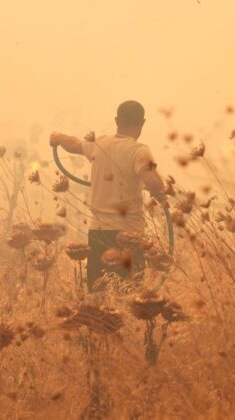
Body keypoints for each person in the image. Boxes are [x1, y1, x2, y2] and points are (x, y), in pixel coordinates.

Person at [50, 100, 166, 290]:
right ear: (142, 123)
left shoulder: (100, 144)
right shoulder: (139, 151)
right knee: (129, 294)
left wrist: (57, 137)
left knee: (99, 293)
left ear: (116, 120)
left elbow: (75, 144)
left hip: (98, 233)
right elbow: (153, 181)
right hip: (129, 235)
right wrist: (160, 195)